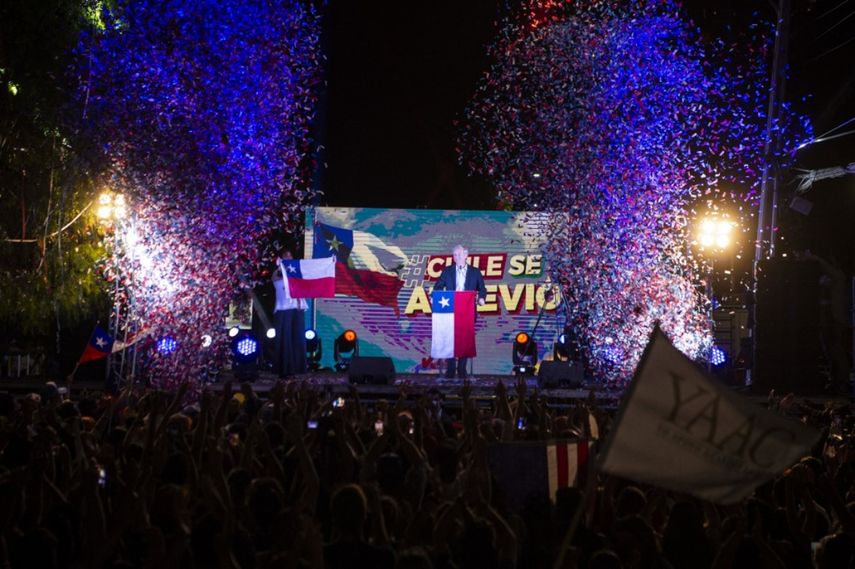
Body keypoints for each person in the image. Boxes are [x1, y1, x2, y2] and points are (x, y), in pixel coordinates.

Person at [434, 245, 487, 379]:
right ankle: (450, 368)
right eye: (455, 255)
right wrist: (435, 297)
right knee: (450, 339)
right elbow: (438, 286)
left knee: (465, 340)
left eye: (459, 254)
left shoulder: (475, 272)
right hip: (451, 311)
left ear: (466, 255)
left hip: (467, 310)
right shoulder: (448, 271)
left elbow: (482, 288)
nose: (457, 257)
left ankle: (462, 369)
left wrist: (481, 298)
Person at [273, 248, 308, 378]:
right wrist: (280, 267)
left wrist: (329, 263)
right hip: (283, 309)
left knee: (297, 339)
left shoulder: (297, 272)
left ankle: (297, 368)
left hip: (297, 308)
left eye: (290, 255)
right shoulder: (278, 272)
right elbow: (275, 279)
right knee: (285, 340)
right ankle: (284, 369)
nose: (288, 258)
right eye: (285, 256)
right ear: (281, 258)